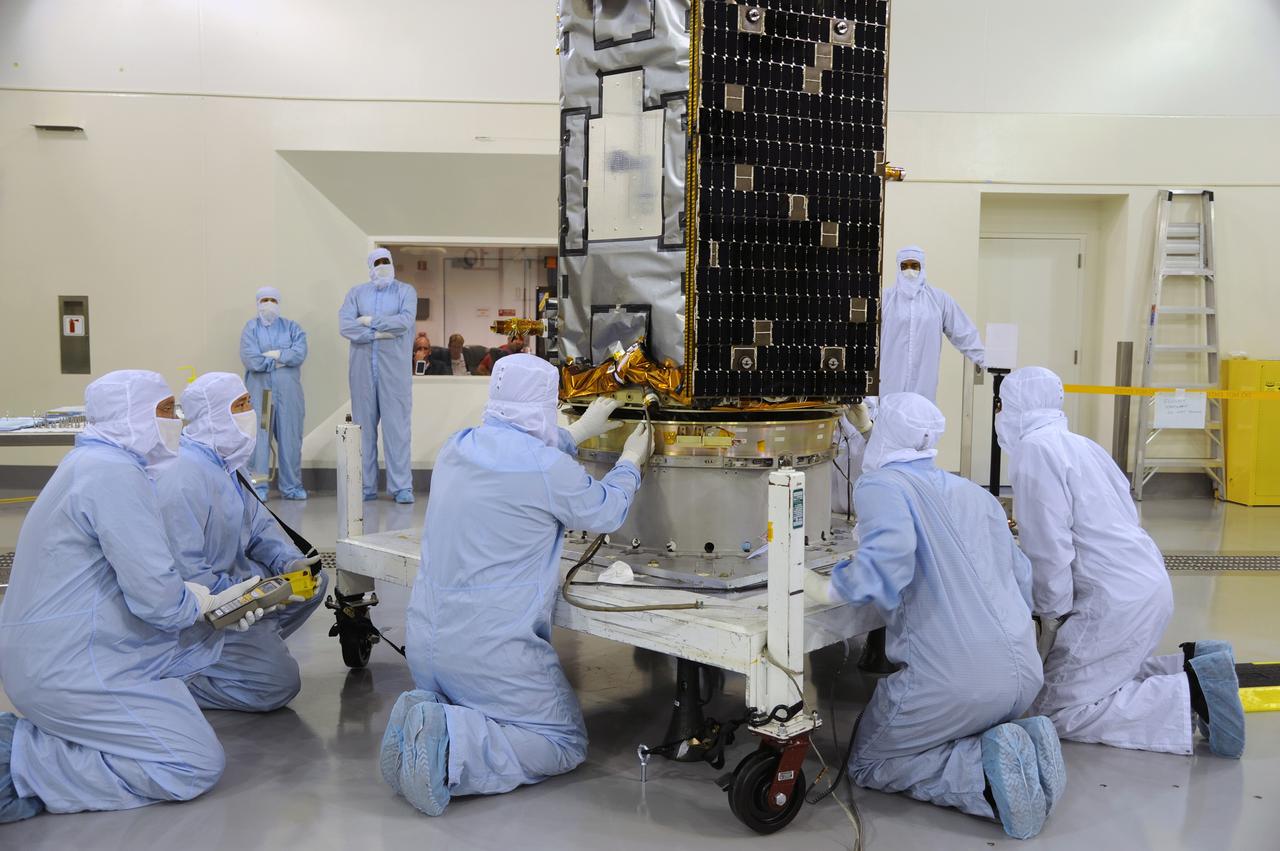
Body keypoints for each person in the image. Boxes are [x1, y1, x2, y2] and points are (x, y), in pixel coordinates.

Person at [379, 355, 653, 817]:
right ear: (545, 406)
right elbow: (605, 511)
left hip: (426, 641)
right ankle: (448, 749)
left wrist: (579, 431)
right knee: (562, 741)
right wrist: (630, 462)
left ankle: (427, 709)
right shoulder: (547, 469)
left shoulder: (457, 446)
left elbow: (522, 458)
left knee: (476, 701)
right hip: (490, 651)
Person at [0, 370, 263, 821]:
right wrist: (199, 601)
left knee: (215, 680)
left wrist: (210, 609)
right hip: (70, 666)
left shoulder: (95, 465)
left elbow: (146, 585)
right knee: (191, 762)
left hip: (69, 650)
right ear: (131, 416)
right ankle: (18, 759)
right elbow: (159, 603)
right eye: (163, 412)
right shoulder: (113, 475)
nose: (174, 422)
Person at [810, 393, 1064, 840]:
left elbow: (888, 563)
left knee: (871, 761)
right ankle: (1020, 740)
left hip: (953, 683)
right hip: (1023, 673)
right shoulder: (974, 494)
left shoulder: (880, 487)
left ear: (886, 433)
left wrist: (827, 586)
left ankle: (981, 779)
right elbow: (1021, 577)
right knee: (945, 729)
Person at [997, 367, 1244, 759]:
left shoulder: (1034, 451)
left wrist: (1049, 615)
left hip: (1110, 601)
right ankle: (1194, 662)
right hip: (1145, 580)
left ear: (1012, 406)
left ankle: (1188, 693)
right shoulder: (1083, 445)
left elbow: (1049, 548)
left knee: (1057, 709)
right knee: (1105, 676)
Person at [157, 372, 328, 713]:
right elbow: (187, 572)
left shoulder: (223, 464)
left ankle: (247, 648)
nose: (250, 413)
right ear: (215, 414)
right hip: (199, 609)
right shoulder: (182, 477)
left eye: (249, 403)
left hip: (233, 583)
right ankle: (175, 678)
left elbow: (260, 527)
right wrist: (245, 596)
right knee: (277, 685)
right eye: (241, 405)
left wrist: (289, 563)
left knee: (314, 583)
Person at [340, 248, 418, 503]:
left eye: (387, 261)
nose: (383, 266)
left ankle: (401, 487)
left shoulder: (406, 292)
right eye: (378, 262)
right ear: (370, 267)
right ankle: (365, 487)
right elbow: (346, 326)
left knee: (397, 430)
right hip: (362, 371)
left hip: (394, 372)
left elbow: (404, 322)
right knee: (363, 430)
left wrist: (368, 320)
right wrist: (378, 333)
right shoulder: (356, 293)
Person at [879, 245, 985, 402]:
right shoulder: (884, 299)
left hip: (924, 385)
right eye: (904, 266)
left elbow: (964, 333)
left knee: (921, 420)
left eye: (914, 266)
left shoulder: (938, 299)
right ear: (898, 267)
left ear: (922, 267)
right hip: (889, 383)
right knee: (888, 420)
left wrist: (987, 359)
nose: (909, 271)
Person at [240, 286, 309, 500]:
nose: (268, 304)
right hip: (262, 394)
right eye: (264, 300)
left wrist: (271, 355)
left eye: (272, 300)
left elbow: (299, 353)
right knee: (260, 440)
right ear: (258, 303)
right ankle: (259, 487)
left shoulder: (292, 328)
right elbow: (251, 360)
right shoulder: (250, 329)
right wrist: (281, 359)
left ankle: (292, 487)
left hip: (288, 394)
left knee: (290, 439)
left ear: (278, 303)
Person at [832, 401, 872, 518]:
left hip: (865, 521)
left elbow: (889, 459)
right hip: (822, 517)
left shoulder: (881, 416)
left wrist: (867, 429)